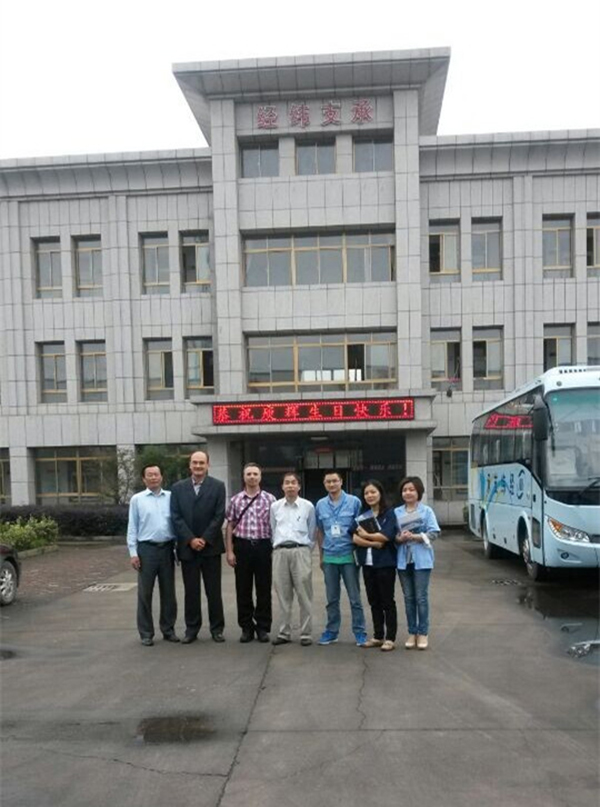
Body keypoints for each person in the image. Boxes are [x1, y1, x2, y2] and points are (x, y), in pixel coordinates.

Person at [170, 450, 226, 644]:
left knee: (214, 591)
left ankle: (217, 629)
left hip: (211, 547)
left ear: (208, 465)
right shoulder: (178, 488)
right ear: (190, 465)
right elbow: (176, 516)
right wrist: (191, 539)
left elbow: (219, 515)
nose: (198, 466)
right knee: (191, 591)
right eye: (195, 463)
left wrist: (204, 538)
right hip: (188, 548)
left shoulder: (218, 486)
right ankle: (191, 629)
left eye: (202, 463)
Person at [127, 464, 178, 646]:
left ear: (161, 477)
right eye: (149, 475)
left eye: (156, 474)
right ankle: (146, 633)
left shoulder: (171, 497)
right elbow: (132, 527)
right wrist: (133, 553)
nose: (153, 477)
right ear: (144, 479)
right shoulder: (137, 499)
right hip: (146, 550)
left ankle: (168, 630)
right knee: (145, 593)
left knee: (169, 593)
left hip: (167, 549)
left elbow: (176, 523)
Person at [315, 470, 367, 646]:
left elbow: (361, 527)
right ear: (324, 484)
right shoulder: (320, 504)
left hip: (349, 556)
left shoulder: (354, 502)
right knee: (332, 599)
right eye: (328, 481)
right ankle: (331, 631)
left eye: (334, 481)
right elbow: (320, 531)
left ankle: (360, 632)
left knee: (355, 598)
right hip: (330, 556)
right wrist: (321, 556)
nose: (331, 484)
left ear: (341, 482)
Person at [225, 463, 276, 643]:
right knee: (243, 589)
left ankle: (262, 627)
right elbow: (230, 525)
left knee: (264, 589)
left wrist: (274, 549)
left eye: (255, 474)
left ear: (260, 477)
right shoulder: (236, 500)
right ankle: (246, 627)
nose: (252, 477)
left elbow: (275, 525)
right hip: (243, 547)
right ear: (244, 477)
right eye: (249, 474)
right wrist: (230, 551)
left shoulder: (270, 499)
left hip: (263, 547)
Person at [270, 471, 317, 647]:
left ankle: (306, 633)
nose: (290, 486)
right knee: (283, 595)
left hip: (300, 551)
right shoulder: (275, 507)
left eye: (293, 483)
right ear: (282, 486)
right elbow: (272, 529)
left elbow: (312, 531)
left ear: (299, 486)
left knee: (304, 594)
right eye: (287, 483)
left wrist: (305, 550)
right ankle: (284, 632)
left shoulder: (308, 506)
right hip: (280, 552)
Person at [394, 476, 440, 650]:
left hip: (422, 559)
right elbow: (392, 536)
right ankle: (412, 632)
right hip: (403, 560)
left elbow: (434, 532)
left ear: (418, 491)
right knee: (408, 598)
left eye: (411, 489)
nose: (408, 493)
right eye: (405, 490)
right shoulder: (397, 512)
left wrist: (414, 536)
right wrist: (400, 538)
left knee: (421, 597)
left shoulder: (426, 511)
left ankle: (423, 633)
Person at [353, 479, 398, 651]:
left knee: (387, 601)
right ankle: (378, 636)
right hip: (367, 564)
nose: (370, 495)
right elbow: (354, 537)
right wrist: (373, 542)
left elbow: (387, 536)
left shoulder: (389, 514)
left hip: (385, 564)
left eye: (373, 492)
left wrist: (365, 535)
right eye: (366, 493)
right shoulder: (363, 515)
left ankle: (390, 638)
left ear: (380, 493)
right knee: (373, 601)